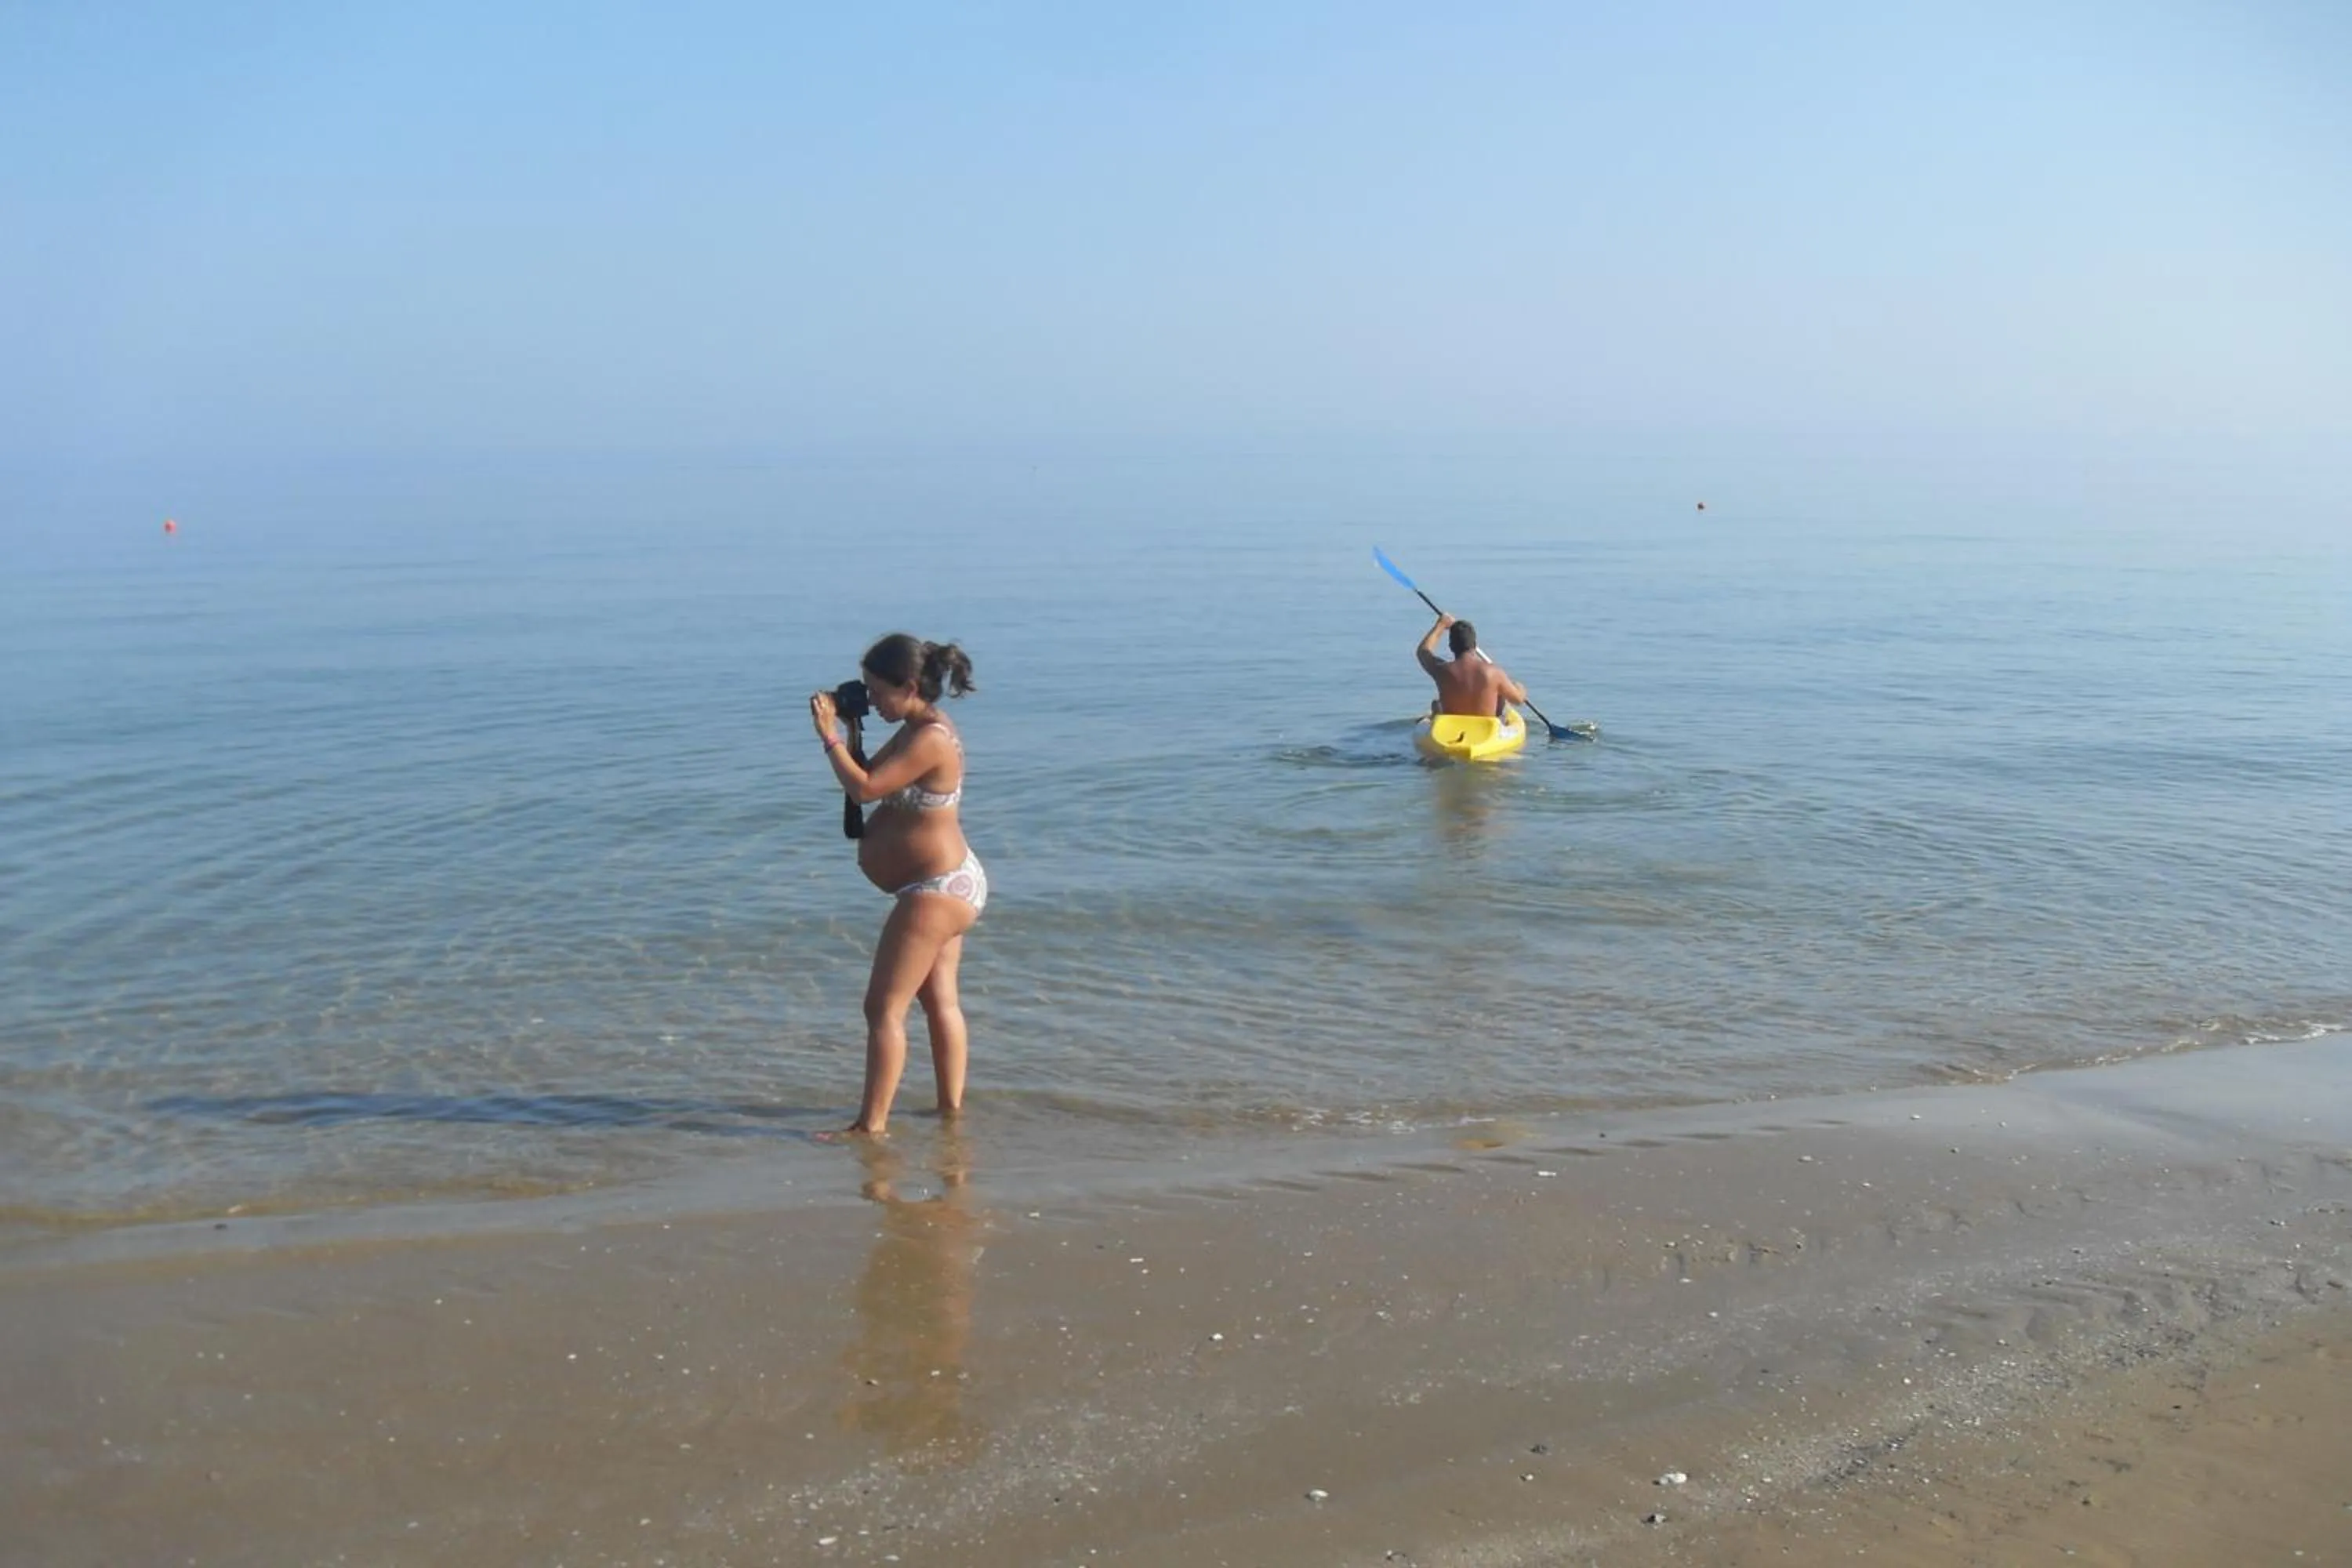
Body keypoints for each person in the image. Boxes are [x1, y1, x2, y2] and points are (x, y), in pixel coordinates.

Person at [809, 633, 984, 1136]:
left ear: (908, 685)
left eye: (876, 691)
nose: (872, 700)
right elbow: (873, 773)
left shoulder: (929, 738)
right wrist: (851, 727)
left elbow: (863, 790)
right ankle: (951, 1114)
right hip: (949, 881)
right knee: (939, 1001)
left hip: (936, 889)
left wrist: (828, 736)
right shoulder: (917, 728)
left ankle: (872, 1127)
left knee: (883, 1007)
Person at [1417, 612, 1526, 717]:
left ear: (1451, 647)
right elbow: (1518, 700)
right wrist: (1519, 687)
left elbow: (1423, 652)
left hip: (1451, 730)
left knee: (1436, 705)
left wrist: (1441, 625)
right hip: (1485, 732)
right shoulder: (1494, 672)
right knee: (1501, 699)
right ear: (1474, 645)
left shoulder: (1441, 670)